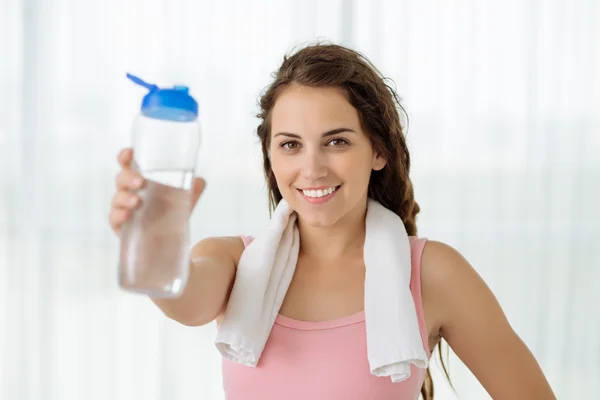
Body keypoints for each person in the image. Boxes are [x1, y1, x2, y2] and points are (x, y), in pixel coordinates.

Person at [109, 43, 556, 399]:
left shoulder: (433, 273)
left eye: (336, 141)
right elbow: (185, 302)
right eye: (290, 145)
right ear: (270, 157)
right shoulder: (231, 261)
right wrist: (153, 239)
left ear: (378, 151)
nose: (313, 168)